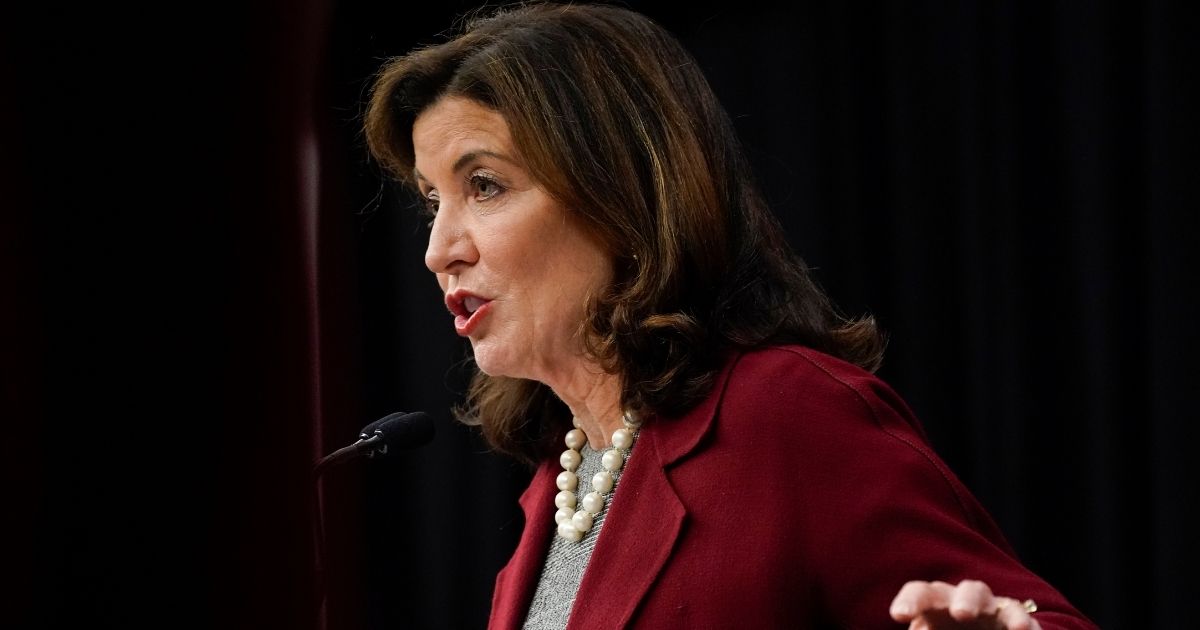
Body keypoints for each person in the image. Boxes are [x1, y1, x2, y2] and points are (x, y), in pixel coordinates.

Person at [362, 2, 1098, 628]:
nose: (438, 251)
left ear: (621, 195)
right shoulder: (559, 483)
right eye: (432, 200)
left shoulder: (787, 414)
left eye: (484, 185)